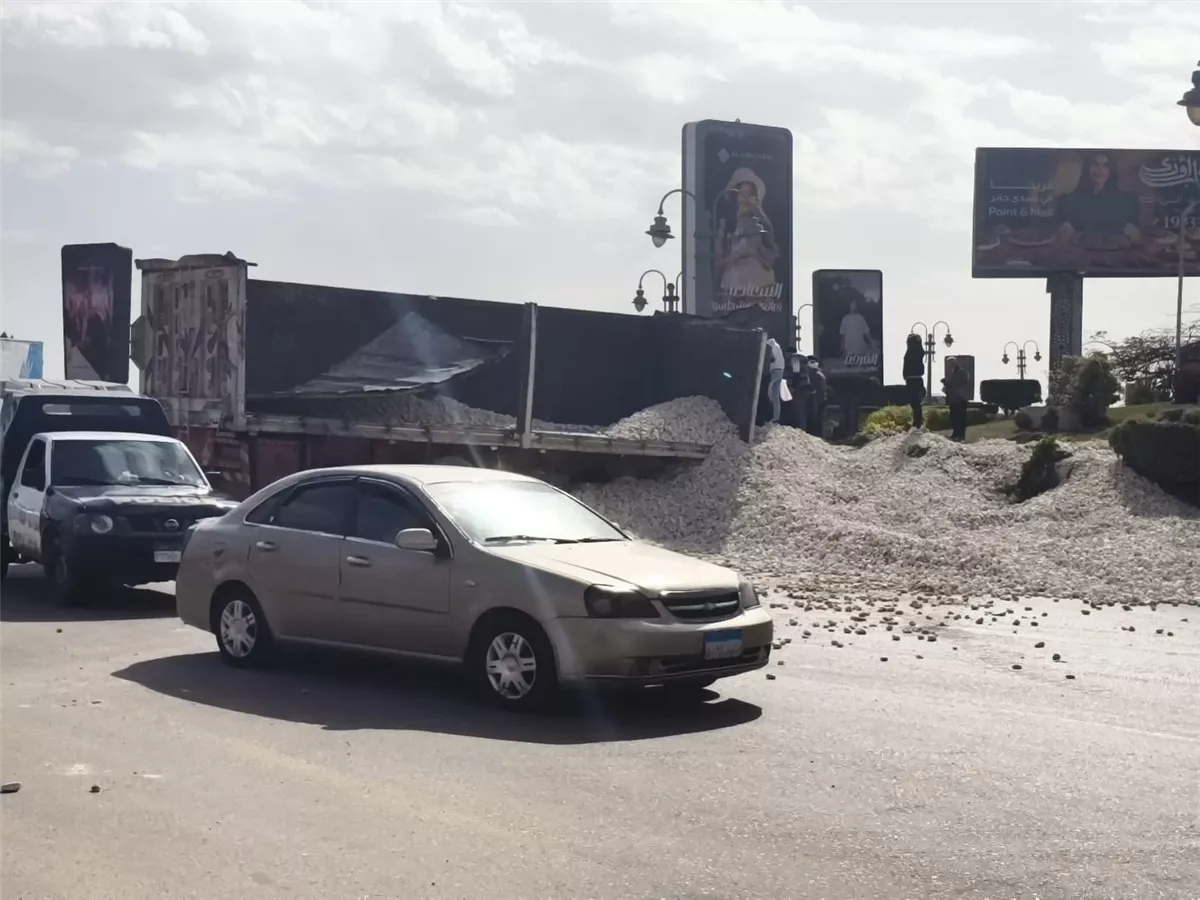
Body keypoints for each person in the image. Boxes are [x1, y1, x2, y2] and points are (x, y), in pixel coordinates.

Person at [1055, 151, 1141, 245]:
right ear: (1087, 168)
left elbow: (1135, 236)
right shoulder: (1068, 201)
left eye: (1105, 166)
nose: (1100, 170)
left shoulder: (1126, 202)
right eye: (1095, 165)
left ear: (1111, 170)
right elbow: (1063, 238)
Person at [942, 358, 971, 441]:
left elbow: (958, 382)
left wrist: (947, 382)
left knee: (960, 417)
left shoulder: (961, 372)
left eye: (950, 364)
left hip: (960, 398)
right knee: (954, 417)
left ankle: (960, 435)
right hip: (954, 399)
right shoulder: (954, 372)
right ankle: (955, 434)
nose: (949, 366)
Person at [903, 333, 926, 430]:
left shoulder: (911, 352)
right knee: (915, 402)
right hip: (914, 378)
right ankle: (917, 421)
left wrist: (905, 375)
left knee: (915, 401)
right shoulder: (918, 351)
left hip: (913, 379)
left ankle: (917, 422)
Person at [765, 336, 785, 424]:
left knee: (770, 393)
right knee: (776, 395)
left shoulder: (770, 346)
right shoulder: (777, 346)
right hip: (780, 370)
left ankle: (770, 415)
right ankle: (776, 417)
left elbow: (772, 358)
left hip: (774, 370)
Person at [806, 356, 826, 438]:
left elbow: (819, 389)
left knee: (815, 420)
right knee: (817, 420)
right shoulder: (820, 374)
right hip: (819, 400)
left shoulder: (816, 375)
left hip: (816, 401)